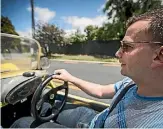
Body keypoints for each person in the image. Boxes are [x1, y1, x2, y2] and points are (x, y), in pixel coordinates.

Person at [10, 8, 163, 128]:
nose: (117, 53)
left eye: (127, 46)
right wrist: (69, 78)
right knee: (44, 107)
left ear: (159, 55)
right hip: (94, 119)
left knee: (22, 123)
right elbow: (101, 91)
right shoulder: (131, 83)